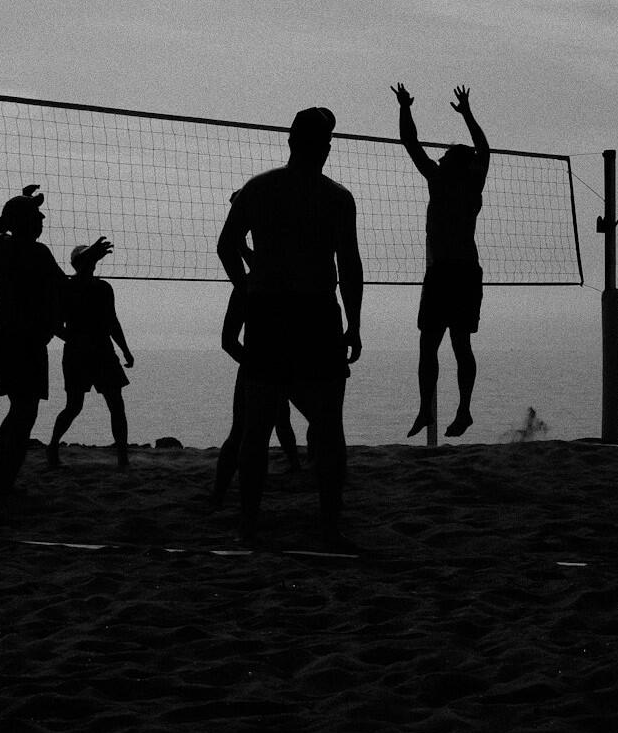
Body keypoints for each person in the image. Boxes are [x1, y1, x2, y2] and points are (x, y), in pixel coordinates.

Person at [217, 106, 363, 550]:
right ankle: (329, 525)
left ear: (290, 142)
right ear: (327, 148)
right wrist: (354, 323)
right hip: (317, 313)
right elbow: (350, 267)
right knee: (327, 426)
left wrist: (250, 287)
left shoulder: (259, 189)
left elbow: (226, 246)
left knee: (257, 426)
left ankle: (248, 525)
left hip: (271, 314)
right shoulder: (337, 198)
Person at [393, 83, 492, 439]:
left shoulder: (442, 180)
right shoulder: (470, 183)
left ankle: (439, 409)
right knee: (455, 344)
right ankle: (451, 409)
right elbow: (483, 149)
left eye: (447, 156)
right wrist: (466, 113)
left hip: (447, 273)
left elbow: (411, 143)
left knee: (436, 345)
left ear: (456, 163)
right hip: (464, 272)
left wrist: (406, 107)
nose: (441, 158)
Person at [0, 185, 75, 498]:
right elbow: (65, 287)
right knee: (24, 415)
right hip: (26, 344)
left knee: (18, 411)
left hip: (3, 341)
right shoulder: (37, 253)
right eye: (37, 214)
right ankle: (2, 486)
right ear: (25, 221)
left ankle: (1, 483)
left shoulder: (1, 246)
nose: (43, 217)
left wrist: (22, 201)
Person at [211, 273, 301, 509]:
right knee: (303, 424)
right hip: (286, 367)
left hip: (260, 368)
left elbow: (227, 341)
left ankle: (220, 498)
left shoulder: (247, 283)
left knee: (244, 432)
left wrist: (253, 365)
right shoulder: (299, 280)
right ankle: (298, 469)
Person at [45, 238, 135, 470]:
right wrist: (75, 340)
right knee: (75, 406)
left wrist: (125, 349)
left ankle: (123, 458)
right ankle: (53, 445)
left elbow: (112, 322)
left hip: (100, 351)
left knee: (115, 405)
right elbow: (55, 325)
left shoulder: (101, 288)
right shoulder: (67, 287)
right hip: (82, 352)